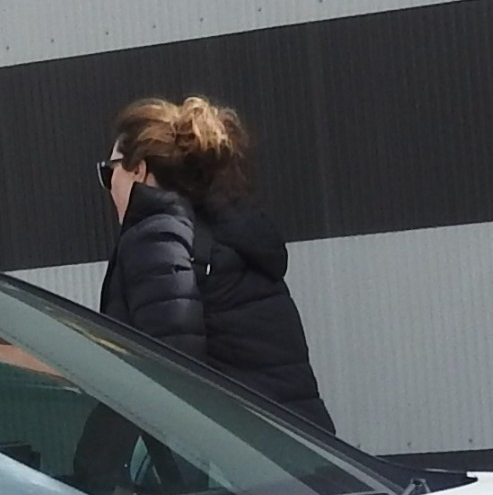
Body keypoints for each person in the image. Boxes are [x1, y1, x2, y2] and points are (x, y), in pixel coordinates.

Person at [96, 95, 333, 430]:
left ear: (139, 170)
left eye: (109, 172)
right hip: (304, 440)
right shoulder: (231, 233)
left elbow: (172, 372)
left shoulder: (156, 238)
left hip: (240, 448)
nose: (109, 186)